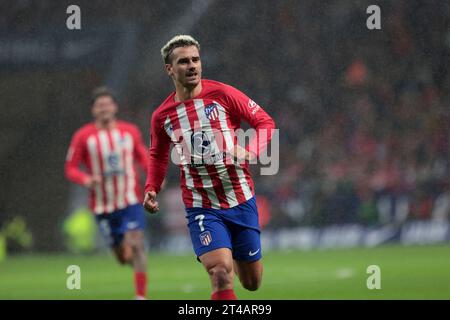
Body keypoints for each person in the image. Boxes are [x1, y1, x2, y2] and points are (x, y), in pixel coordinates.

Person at [143, 35, 276, 300]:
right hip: (200, 204)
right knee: (220, 273)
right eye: (183, 61)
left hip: (239, 197)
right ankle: (221, 254)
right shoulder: (162, 115)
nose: (192, 65)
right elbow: (158, 154)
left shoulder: (223, 94)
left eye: (195, 59)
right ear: (170, 69)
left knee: (251, 282)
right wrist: (151, 187)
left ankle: (232, 250)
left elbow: (265, 122)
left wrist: (249, 151)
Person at [65, 87, 149, 300]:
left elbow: (143, 157)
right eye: (99, 105)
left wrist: (154, 178)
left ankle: (140, 296)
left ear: (115, 107)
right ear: (93, 110)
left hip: (130, 199)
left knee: (137, 244)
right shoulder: (83, 136)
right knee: (122, 257)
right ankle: (126, 254)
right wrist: (86, 179)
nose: (104, 108)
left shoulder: (129, 131)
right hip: (103, 205)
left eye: (107, 104)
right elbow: (71, 168)